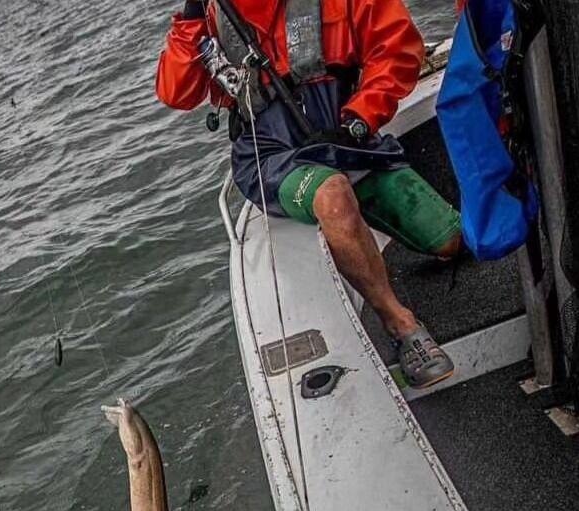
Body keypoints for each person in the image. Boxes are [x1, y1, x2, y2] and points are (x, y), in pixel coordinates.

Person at [156, 0, 462, 389]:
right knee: (332, 195)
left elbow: (398, 50)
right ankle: (401, 325)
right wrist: (191, 18)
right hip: (270, 156)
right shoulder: (211, 13)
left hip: (345, 139)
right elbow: (175, 92)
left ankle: (357, 225)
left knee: (451, 241)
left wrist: (360, 117)